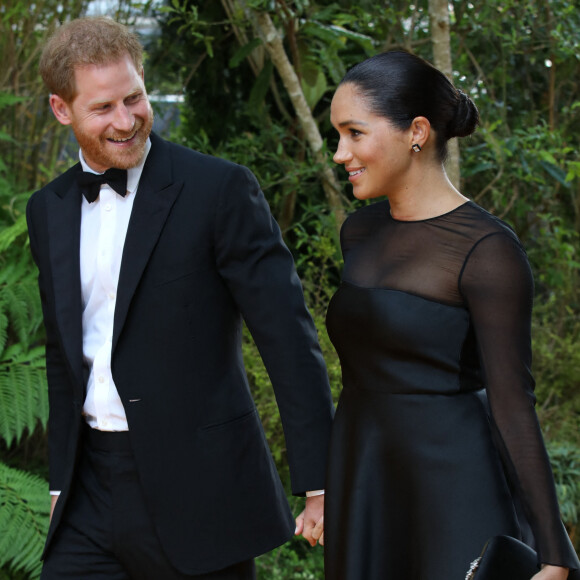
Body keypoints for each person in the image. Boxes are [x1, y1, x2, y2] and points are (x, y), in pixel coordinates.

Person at [26, 16, 333, 580]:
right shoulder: (48, 208)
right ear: (60, 109)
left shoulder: (219, 190)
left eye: (134, 98)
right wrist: (57, 482)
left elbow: (287, 336)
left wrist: (320, 480)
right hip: (89, 493)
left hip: (200, 492)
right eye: (102, 108)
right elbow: (62, 353)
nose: (126, 121)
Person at [323, 50, 580, 580]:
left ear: (416, 131)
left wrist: (556, 555)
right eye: (337, 135)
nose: (339, 153)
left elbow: (513, 405)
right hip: (365, 476)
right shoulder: (360, 232)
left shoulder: (487, 251)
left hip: (453, 489)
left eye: (354, 133)